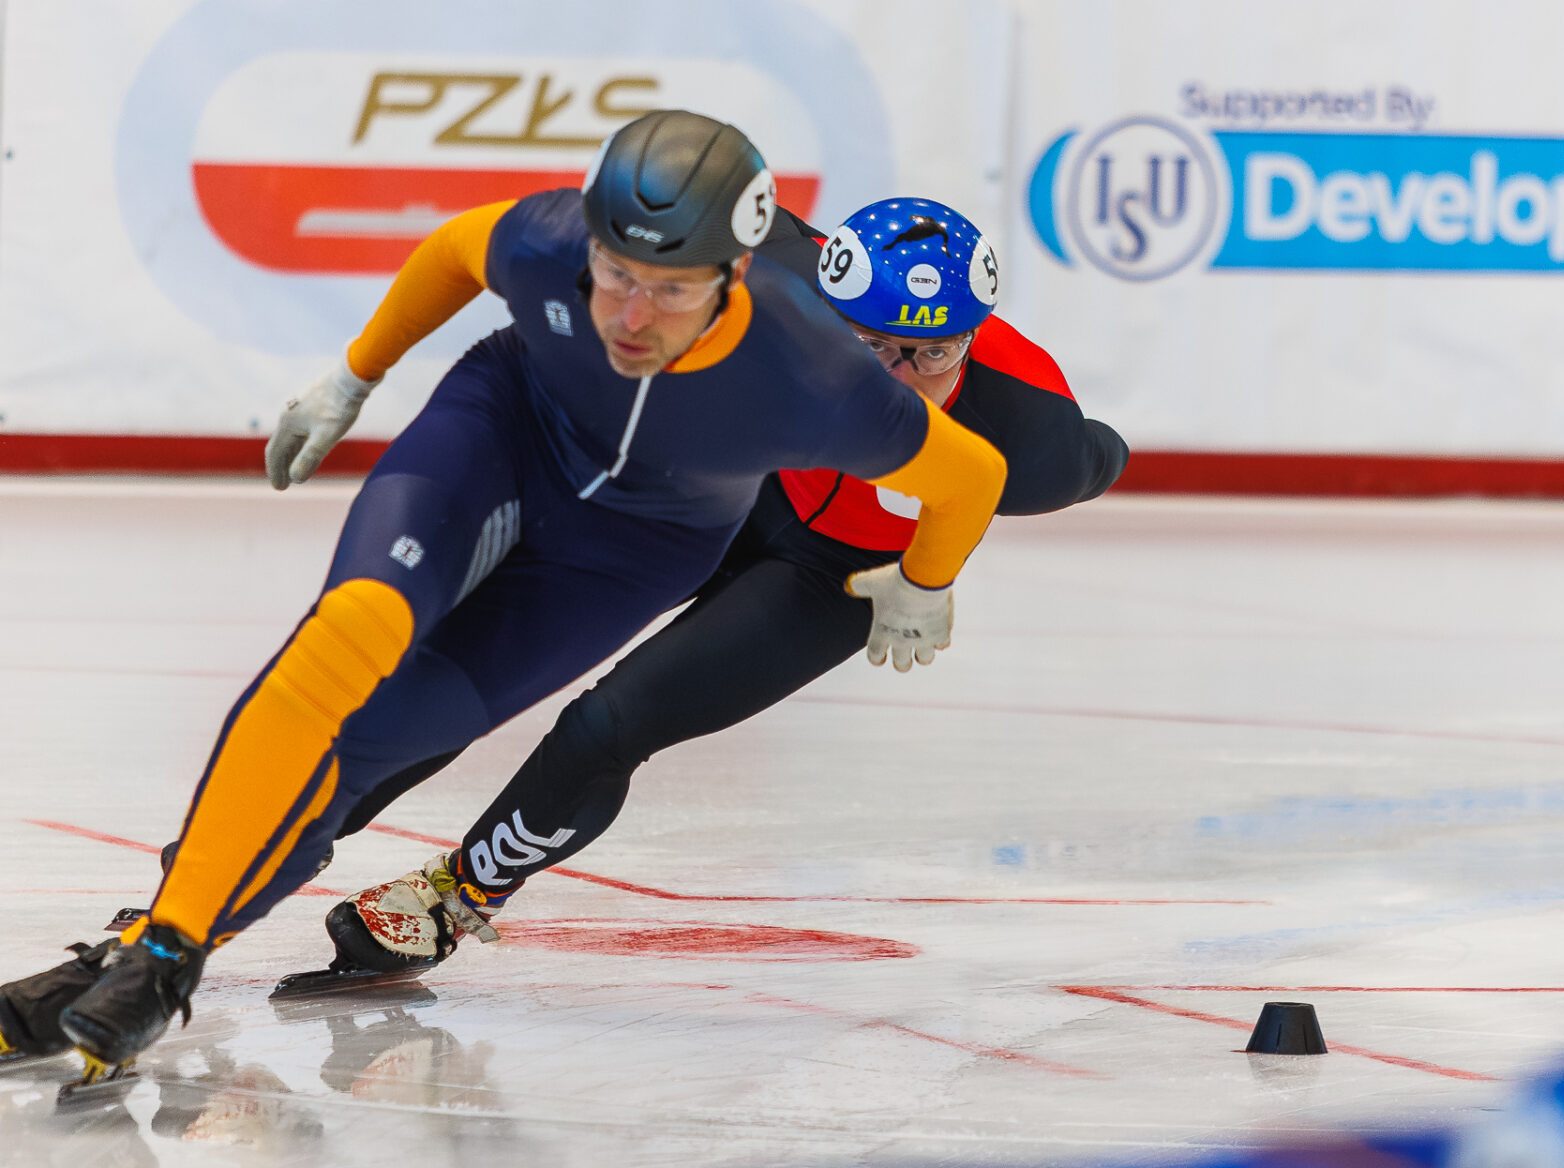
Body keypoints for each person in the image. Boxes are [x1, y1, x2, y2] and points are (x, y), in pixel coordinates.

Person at [0, 111, 1007, 1084]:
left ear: (735, 273)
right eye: (615, 273)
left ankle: (167, 940)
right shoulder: (547, 240)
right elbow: (451, 250)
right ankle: (161, 952)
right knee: (345, 637)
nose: (631, 316)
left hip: (632, 549)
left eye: (670, 289)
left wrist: (923, 582)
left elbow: (973, 478)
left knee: (370, 745)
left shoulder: (816, 377)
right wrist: (353, 376)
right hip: (503, 433)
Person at [310, 196, 1129, 973]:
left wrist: (926, 579)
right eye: (873, 348)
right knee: (491, 658)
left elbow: (1099, 458)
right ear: (825, 311)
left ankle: (458, 896)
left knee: (608, 726)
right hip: (725, 496)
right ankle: (297, 817)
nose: (901, 379)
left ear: (972, 341)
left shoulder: (1035, 440)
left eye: (935, 353)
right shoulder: (774, 276)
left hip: (838, 577)